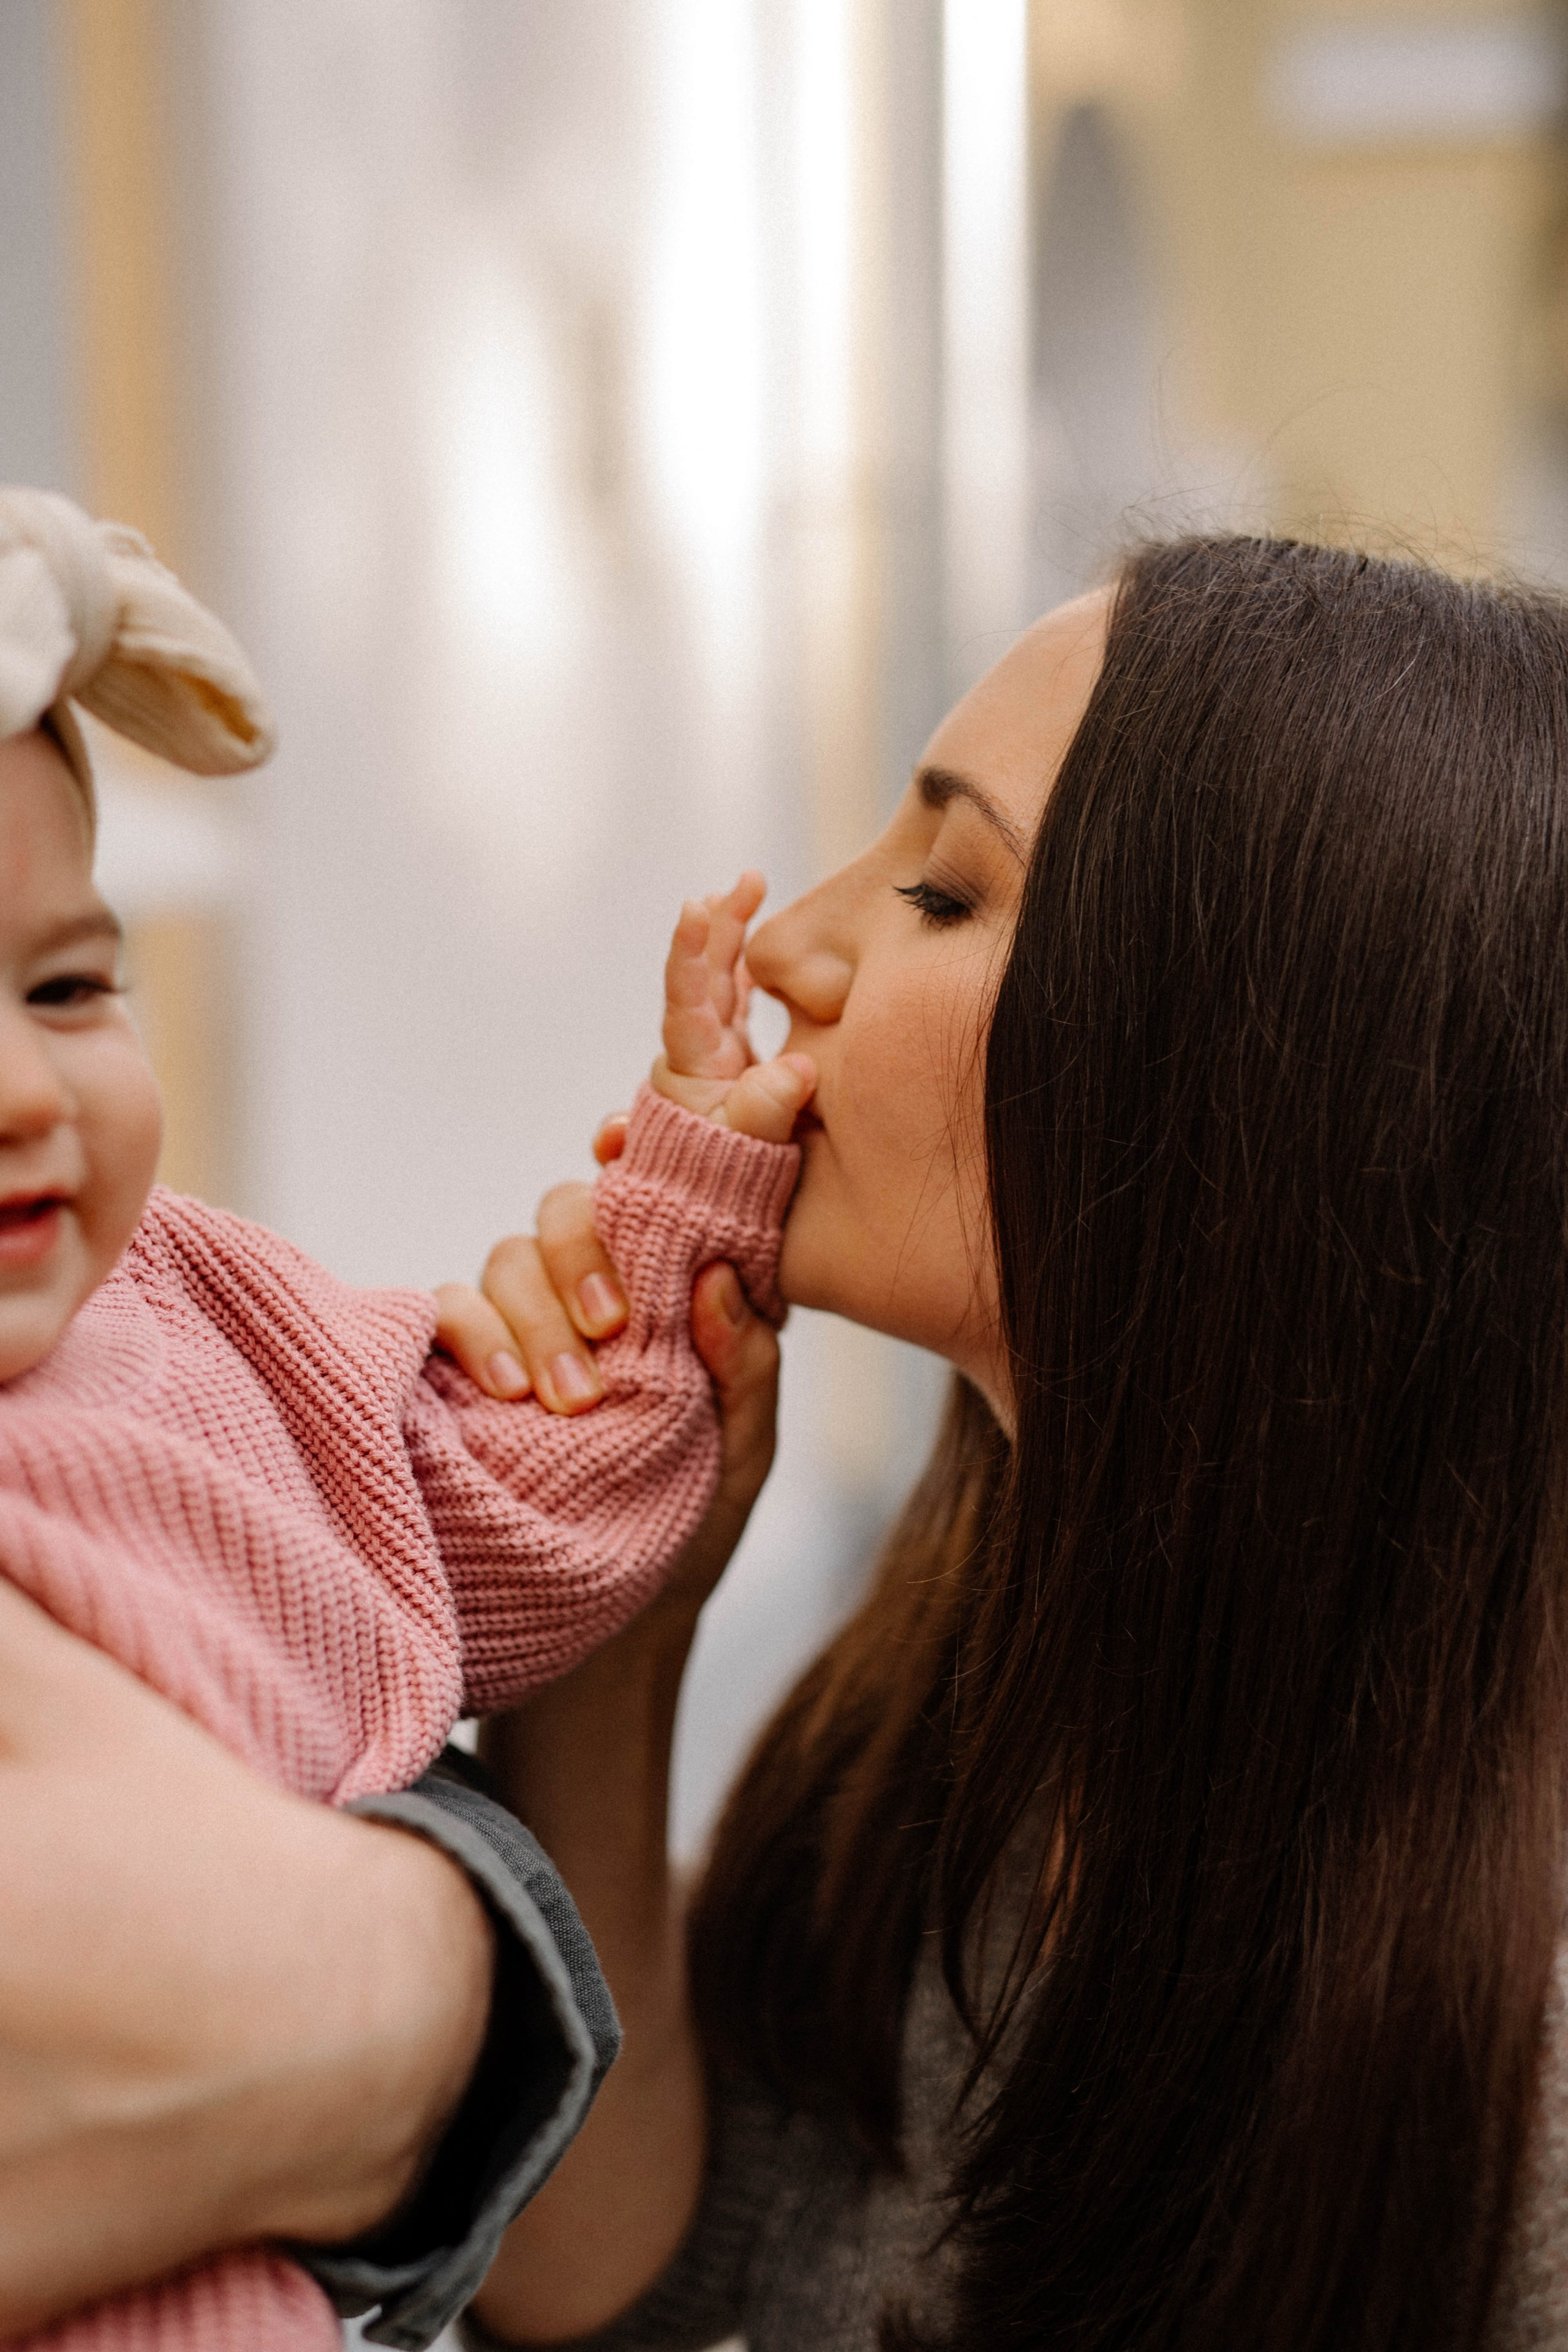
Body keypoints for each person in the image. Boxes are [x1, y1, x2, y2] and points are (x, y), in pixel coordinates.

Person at [460, 539, 1568, 2352]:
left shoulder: (1527, 2061)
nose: (788, 948)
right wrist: (615, 1607)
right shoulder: (964, 1716)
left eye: (948, 893)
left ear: (1249, 1088)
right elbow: (611, 2269)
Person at [0, 486, 813, 2351]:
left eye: (66, 986)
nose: (22, 1089)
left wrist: (676, 1205)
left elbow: (521, 1508)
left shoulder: (194, 1318)